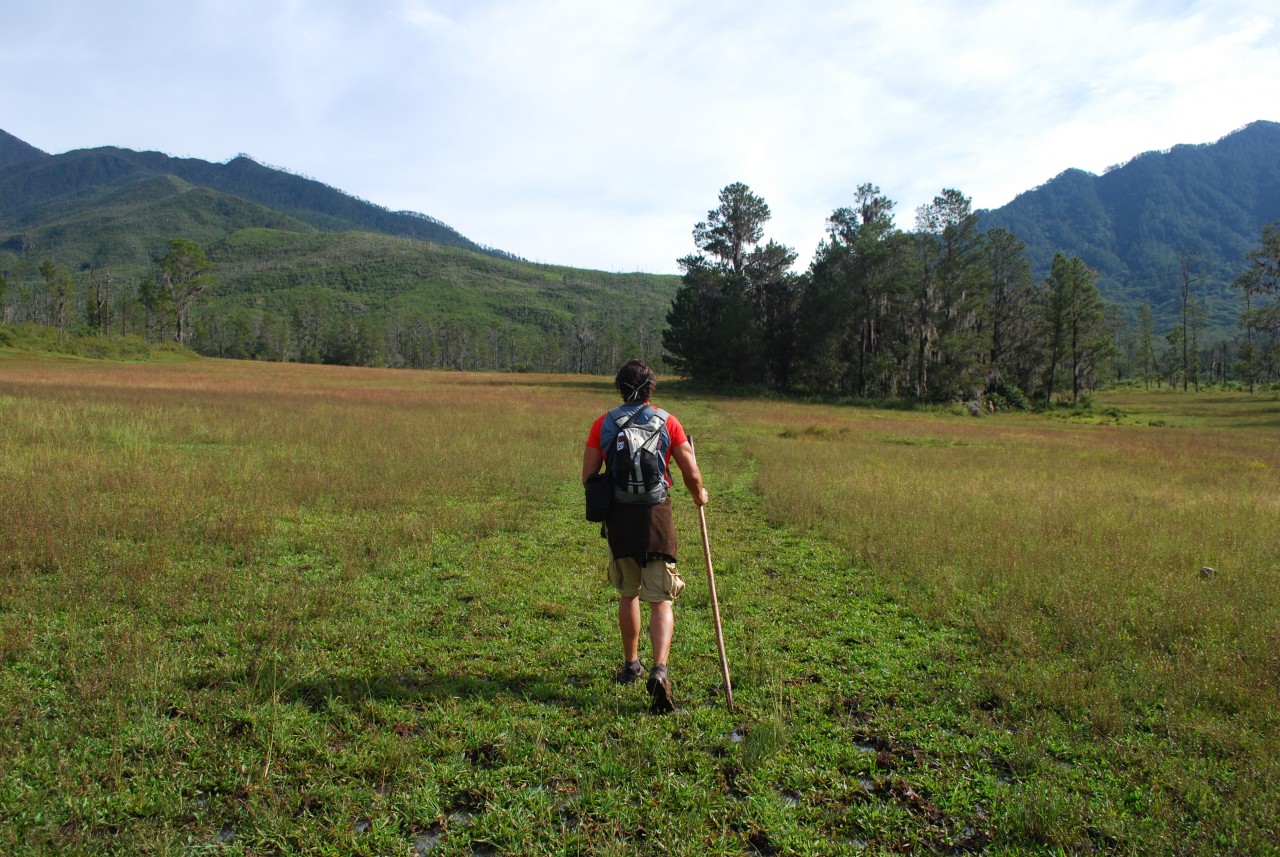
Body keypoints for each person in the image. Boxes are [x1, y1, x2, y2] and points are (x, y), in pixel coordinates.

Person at [582, 360, 708, 713]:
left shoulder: (603, 423)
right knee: (661, 599)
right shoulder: (669, 421)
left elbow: (588, 476)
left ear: (619, 387)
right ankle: (660, 669)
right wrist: (700, 495)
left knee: (628, 592)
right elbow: (692, 474)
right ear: (652, 388)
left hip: (621, 520)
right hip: (657, 518)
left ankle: (631, 664)